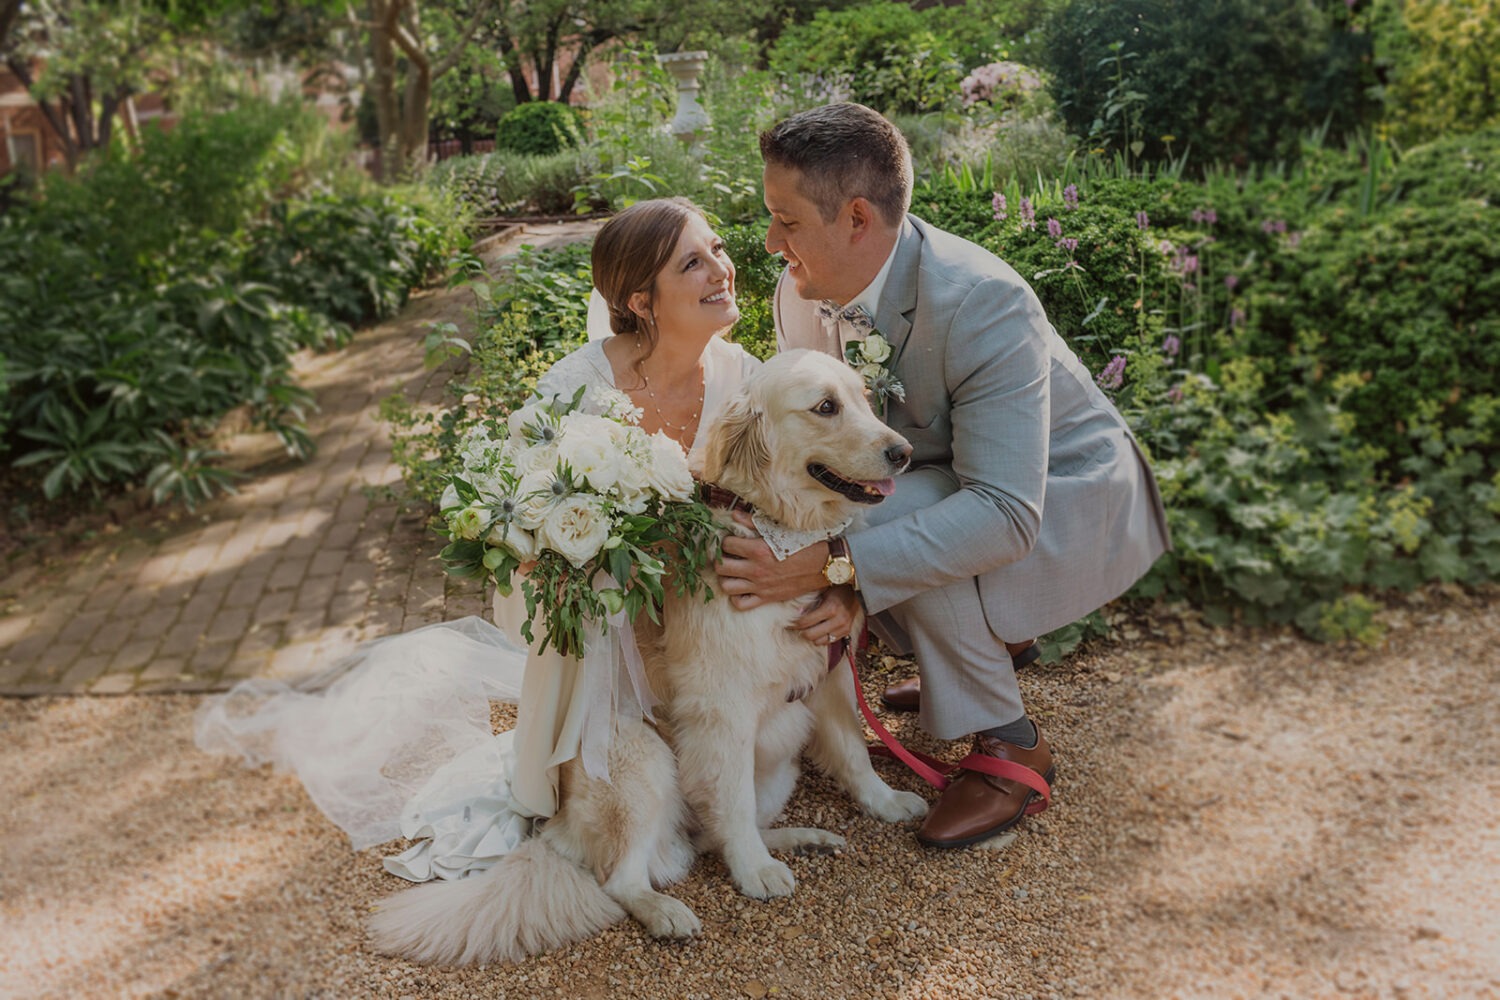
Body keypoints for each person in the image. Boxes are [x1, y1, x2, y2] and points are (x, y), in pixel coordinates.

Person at [196, 197, 761, 880]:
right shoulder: (578, 387)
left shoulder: (746, 383)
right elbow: (522, 510)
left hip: (698, 622)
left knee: (716, 775)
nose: (721, 270)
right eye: (693, 263)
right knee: (624, 800)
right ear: (642, 299)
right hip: (604, 618)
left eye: (718, 249)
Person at [714, 102, 1171, 849]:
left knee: (882, 525)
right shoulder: (801, 294)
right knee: (869, 513)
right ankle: (956, 653)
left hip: (1064, 498)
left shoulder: (981, 301)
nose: (770, 244)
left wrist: (826, 569)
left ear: (856, 218)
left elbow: (1002, 513)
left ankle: (1009, 745)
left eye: (786, 220)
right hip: (933, 477)